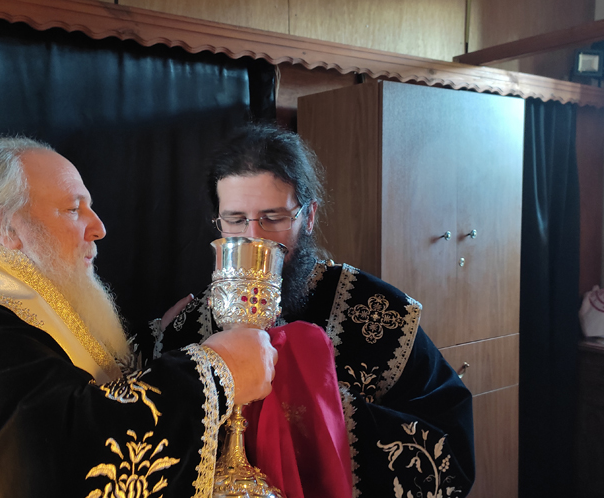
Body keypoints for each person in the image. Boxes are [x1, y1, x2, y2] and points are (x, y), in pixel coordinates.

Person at [0, 137, 277, 498]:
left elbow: (57, 391)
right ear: (7, 227)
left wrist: (158, 341)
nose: (98, 227)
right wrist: (216, 372)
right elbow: (65, 460)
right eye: (73, 208)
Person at [153, 124, 475, 497]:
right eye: (236, 220)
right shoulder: (188, 326)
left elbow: (451, 452)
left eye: (273, 218)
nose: (254, 238)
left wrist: (316, 407)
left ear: (308, 216)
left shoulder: (378, 313)